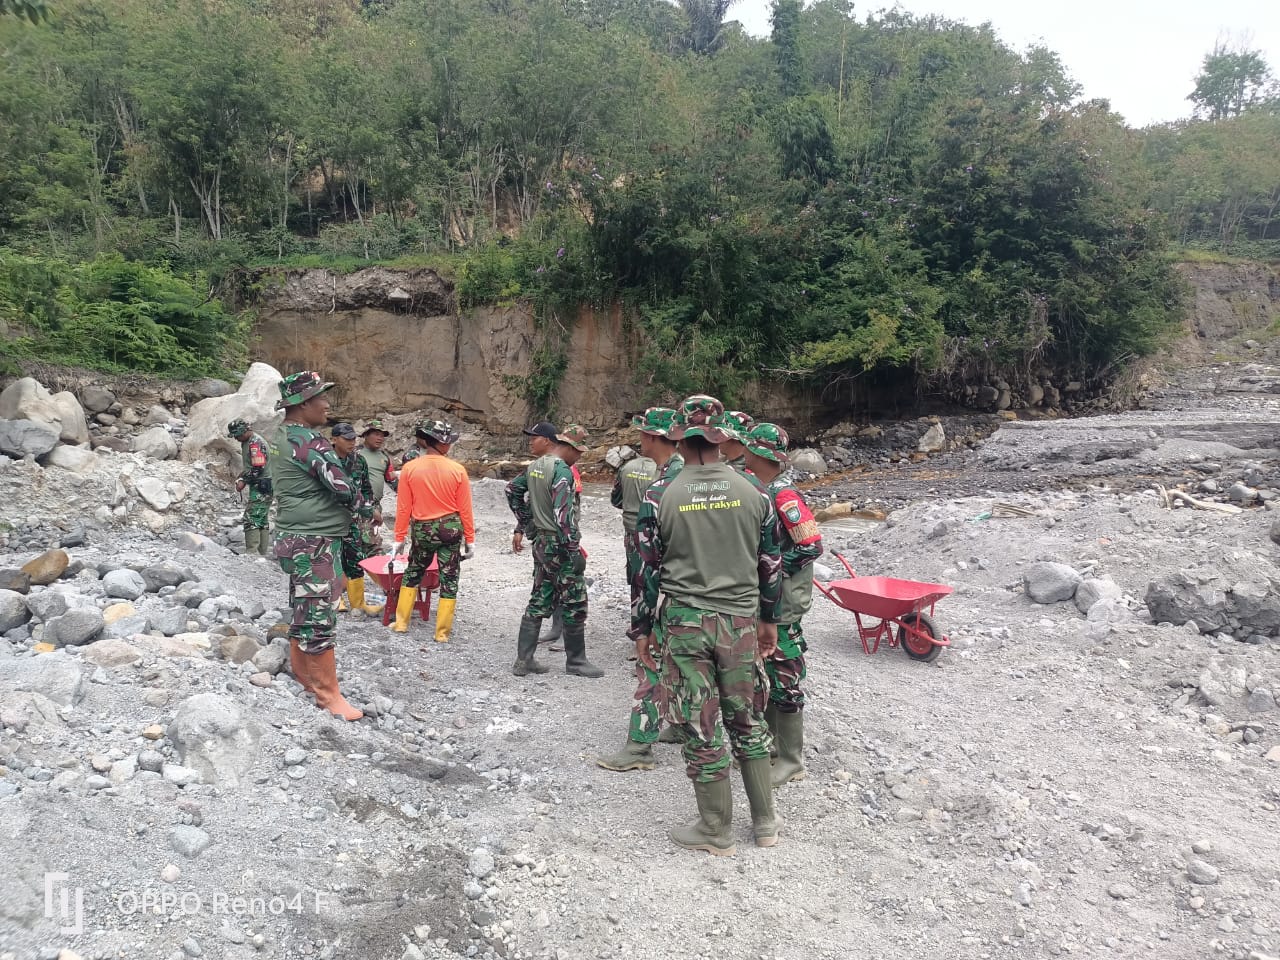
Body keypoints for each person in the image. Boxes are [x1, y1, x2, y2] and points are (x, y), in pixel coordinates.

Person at [630, 395, 782, 854]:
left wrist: (642, 628)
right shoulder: (755, 491)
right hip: (739, 621)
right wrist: (769, 619)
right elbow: (770, 563)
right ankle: (765, 824)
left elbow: (646, 570)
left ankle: (716, 829)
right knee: (747, 717)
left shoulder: (659, 495)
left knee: (702, 722)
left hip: (685, 624)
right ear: (723, 438)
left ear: (679, 437)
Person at [267, 371, 365, 722]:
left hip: (296, 537)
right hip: (314, 541)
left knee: (303, 607)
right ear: (303, 403)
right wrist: (362, 505)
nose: (326, 404)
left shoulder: (281, 436)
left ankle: (305, 678)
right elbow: (343, 488)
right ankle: (329, 695)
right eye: (321, 398)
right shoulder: (308, 441)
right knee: (319, 615)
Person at [597, 406, 687, 773]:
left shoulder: (666, 486)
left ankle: (639, 746)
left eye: (642, 433)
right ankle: (681, 724)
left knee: (651, 662)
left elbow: (650, 564)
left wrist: (642, 624)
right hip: (693, 592)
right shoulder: (685, 475)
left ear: (651, 437)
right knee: (682, 659)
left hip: (669, 590)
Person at [742, 422, 823, 787]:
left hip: (785, 601)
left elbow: (811, 545)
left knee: (785, 674)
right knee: (772, 670)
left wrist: (771, 570)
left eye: (747, 449)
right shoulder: (763, 489)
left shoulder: (784, 496)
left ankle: (792, 759)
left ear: (758, 454)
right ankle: (775, 745)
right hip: (772, 599)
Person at [506, 423, 602, 678]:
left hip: (541, 543)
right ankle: (576, 661)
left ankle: (524, 660)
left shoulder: (535, 466)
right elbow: (563, 514)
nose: (578, 457)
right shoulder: (561, 470)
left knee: (540, 595)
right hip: (559, 545)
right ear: (568, 447)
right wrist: (573, 548)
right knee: (575, 599)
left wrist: (527, 522)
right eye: (578, 452)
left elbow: (512, 490)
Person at [391, 419, 475, 641]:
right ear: (443, 444)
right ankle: (442, 633)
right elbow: (465, 509)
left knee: (414, 571)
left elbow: (404, 508)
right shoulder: (458, 470)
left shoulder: (409, 468)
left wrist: (399, 537)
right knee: (450, 576)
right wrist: (470, 539)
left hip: (423, 529)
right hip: (450, 528)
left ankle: (401, 623)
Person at [329, 422, 384, 617]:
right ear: (334, 439)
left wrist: (370, 510)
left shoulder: (359, 461)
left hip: (353, 520)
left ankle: (358, 604)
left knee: (354, 558)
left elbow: (366, 489)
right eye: (347, 439)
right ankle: (336, 600)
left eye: (353, 439)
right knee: (331, 559)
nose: (352, 442)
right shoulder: (325, 460)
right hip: (328, 520)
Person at [227, 419, 273, 556]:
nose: (236, 438)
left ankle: (251, 553)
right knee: (261, 518)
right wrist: (242, 475)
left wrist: (244, 481)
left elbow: (258, 468)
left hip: (262, 485)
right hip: (263, 483)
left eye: (237, 435)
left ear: (244, 432)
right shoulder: (248, 442)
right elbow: (251, 465)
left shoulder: (255, 443)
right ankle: (261, 553)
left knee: (251, 517)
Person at [358, 417, 396, 504]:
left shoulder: (384, 457)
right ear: (366, 435)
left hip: (376, 505)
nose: (380, 438)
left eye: (382, 436)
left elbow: (392, 479)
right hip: (358, 505)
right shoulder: (355, 454)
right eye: (376, 434)